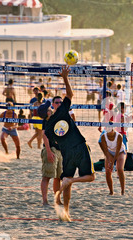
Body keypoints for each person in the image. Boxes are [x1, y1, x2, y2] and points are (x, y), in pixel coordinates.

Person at [38, 65, 95, 222]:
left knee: (66, 182)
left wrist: (50, 151)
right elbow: (70, 93)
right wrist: (65, 77)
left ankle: (66, 213)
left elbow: (48, 140)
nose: (51, 106)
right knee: (90, 177)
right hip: (79, 145)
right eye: (49, 106)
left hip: (66, 153)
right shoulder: (62, 111)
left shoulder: (48, 127)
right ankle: (72, 181)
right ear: (49, 111)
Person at [40, 96, 63, 206]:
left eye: (60, 102)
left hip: (60, 151)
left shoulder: (61, 117)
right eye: (57, 102)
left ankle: (57, 200)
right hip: (51, 149)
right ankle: (45, 201)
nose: (59, 104)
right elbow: (44, 136)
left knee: (58, 177)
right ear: (53, 104)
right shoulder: (48, 119)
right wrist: (49, 151)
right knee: (47, 176)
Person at [98, 125, 127, 195]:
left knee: (120, 169)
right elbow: (105, 150)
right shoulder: (103, 136)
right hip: (110, 152)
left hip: (120, 152)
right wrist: (109, 161)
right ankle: (111, 191)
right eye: (107, 128)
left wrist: (113, 162)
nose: (109, 129)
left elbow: (117, 150)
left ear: (113, 128)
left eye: (110, 128)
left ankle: (122, 191)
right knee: (108, 171)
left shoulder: (119, 136)